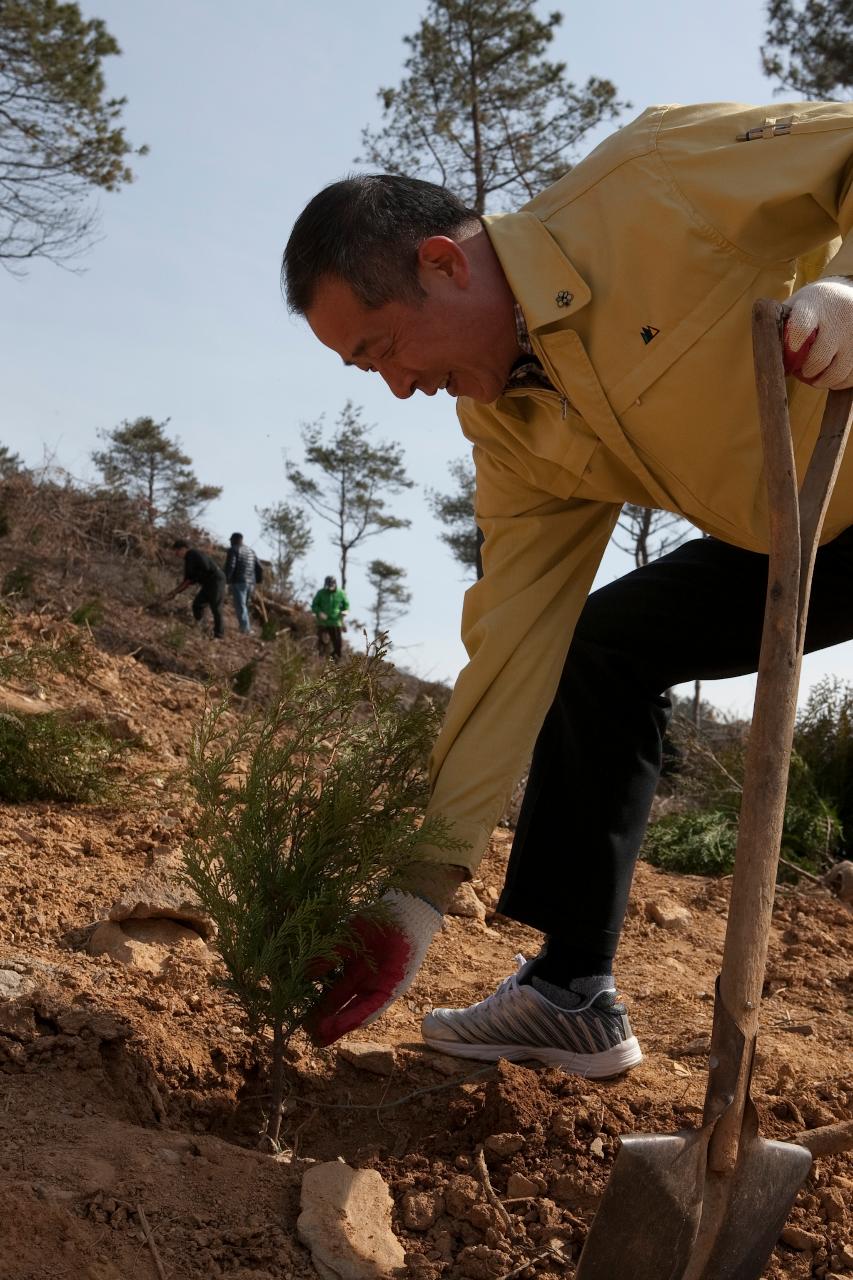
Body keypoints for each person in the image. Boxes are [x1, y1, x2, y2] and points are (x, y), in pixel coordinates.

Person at [282, 99, 853, 1075]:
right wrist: (416, 892)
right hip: (806, 536)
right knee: (596, 646)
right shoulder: (512, 430)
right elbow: (510, 649)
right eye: (360, 369)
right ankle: (568, 994)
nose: (395, 388)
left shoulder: (653, 179)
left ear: (443, 263)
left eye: (381, 348)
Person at [167, 539, 226, 639]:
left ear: (183, 549)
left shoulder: (193, 553)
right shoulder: (188, 559)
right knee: (197, 605)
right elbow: (187, 580)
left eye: (176, 550)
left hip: (216, 580)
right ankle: (202, 627)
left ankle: (219, 634)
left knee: (216, 607)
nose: (175, 554)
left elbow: (206, 567)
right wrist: (175, 592)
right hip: (207, 583)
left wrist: (194, 578)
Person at [224, 532, 262, 635]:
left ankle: (245, 629)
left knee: (241, 606)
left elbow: (231, 566)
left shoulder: (233, 550)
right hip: (251, 583)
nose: (230, 542)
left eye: (231, 540)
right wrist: (257, 581)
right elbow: (259, 567)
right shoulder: (251, 551)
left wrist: (226, 580)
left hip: (239, 582)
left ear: (234, 540)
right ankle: (246, 627)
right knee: (244, 605)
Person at [311, 575, 349, 659]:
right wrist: (319, 612)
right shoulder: (320, 593)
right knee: (321, 644)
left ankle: (335, 662)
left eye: (331, 585)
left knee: (337, 645)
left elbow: (346, 606)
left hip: (336, 623)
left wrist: (345, 611)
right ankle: (320, 661)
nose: (329, 588)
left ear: (335, 584)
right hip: (323, 622)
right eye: (327, 586)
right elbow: (314, 606)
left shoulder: (341, 593)